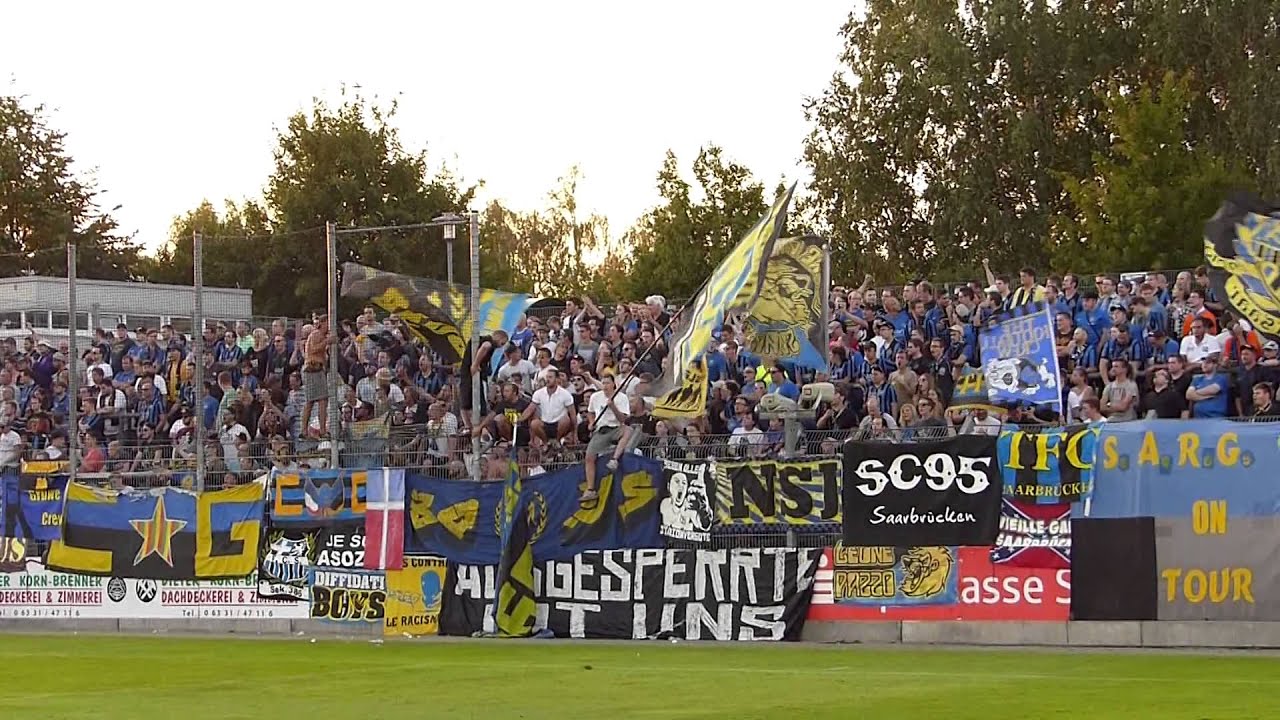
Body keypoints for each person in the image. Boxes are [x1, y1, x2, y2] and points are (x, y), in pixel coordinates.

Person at [579, 374, 631, 504]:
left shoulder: (621, 398)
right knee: (589, 457)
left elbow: (623, 419)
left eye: (608, 383)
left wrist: (612, 406)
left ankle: (615, 459)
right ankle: (590, 489)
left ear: (613, 384)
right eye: (603, 383)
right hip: (601, 430)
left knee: (628, 430)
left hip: (615, 428)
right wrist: (591, 422)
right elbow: (591, 412)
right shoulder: (595, 397)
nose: (605, 386)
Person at [522, 368, 576, 448]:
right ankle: (545, 443)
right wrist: (519, 419)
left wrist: (575, 434)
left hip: (559, 424)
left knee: (566, 420)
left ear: (557, 379)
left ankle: (557, 441)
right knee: (534, 423)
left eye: (550, 377)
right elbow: (530, 409)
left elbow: (573, 414)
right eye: (547, 377)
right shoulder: (538, 393)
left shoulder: (566, 394)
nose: (547, 379)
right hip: (545, 423)